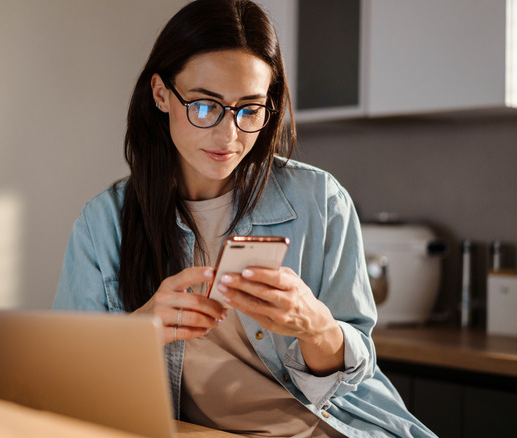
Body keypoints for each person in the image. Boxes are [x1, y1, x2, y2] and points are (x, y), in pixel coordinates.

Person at [53, 1, 435, 437]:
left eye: (249, 109)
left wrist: (315, 326)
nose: (228, 135)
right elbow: (66, 376)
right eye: (204, 105)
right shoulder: (104, 222)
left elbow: (353, 374)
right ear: (161, 94)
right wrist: (140, 330)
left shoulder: (320, 200)